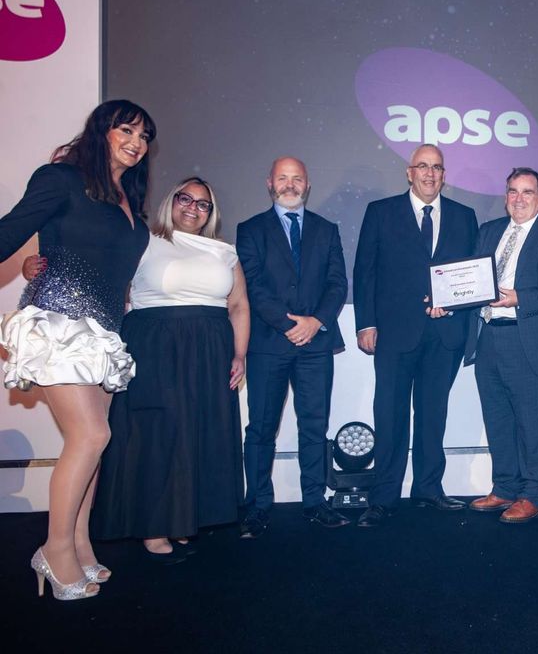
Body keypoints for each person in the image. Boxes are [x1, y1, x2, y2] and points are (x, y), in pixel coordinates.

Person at [0, 100, 155, 599]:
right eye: (125, 129)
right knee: (90, 435)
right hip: (59, 323)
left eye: (144, 135)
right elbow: (11, 229)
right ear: (101, 131)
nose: (136, 141)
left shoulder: (127, 199)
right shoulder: (62, 178)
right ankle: (53, 549)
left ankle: (80, 545)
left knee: (96, 441)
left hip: (104, 334)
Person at [87, 177, 249, 561]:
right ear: (170, 202)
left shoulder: (224, 251)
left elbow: (239, 305)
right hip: (155, 346)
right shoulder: (143, 241)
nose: (193, 208)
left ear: (212, 214)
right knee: (158, 433)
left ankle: (186, 519)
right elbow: (114, 288)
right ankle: (153, 524)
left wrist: (239, 353)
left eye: (203, 204)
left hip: (210, 351)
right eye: (185, 199)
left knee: (198, 432)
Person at [352, 144, 478, 527]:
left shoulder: (464, 216)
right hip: (393, 333)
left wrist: (453, 305)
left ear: (444, 174)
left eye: (437, 167)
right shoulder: (381, 212)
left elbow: (470, 276)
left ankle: (428, 488)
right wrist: (366, 323)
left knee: (432, 415)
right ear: (409, 172)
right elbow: (365, 272)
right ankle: (384, 496)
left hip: (444, 335)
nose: (429, 174)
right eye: (422, 166)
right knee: (389, 414)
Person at [236, 157, 349, 537]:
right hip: (269, 345)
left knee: (315, 427)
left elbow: (337, 284)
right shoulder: (249, 230)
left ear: (307, 184)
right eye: (282, 178)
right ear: (269, 182)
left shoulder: (326, 229)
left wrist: (315, 323)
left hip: (316, 344)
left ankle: (315, 502)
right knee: (261, 429)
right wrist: (289, 325)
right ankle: (257, 506)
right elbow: (253, 286)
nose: (290, 184)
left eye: (296, 178)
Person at [466, 168, 538, 523]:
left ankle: (533, 494)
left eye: (527, 192)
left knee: (533, 422)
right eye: (513, 191)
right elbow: (468, 280)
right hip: (489, 339)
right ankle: (504, 487)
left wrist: (520, 298)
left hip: (528, 339)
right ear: (505, 196)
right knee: (497, 418)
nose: (518, 198)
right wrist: (444, 297)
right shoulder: (488, 232)